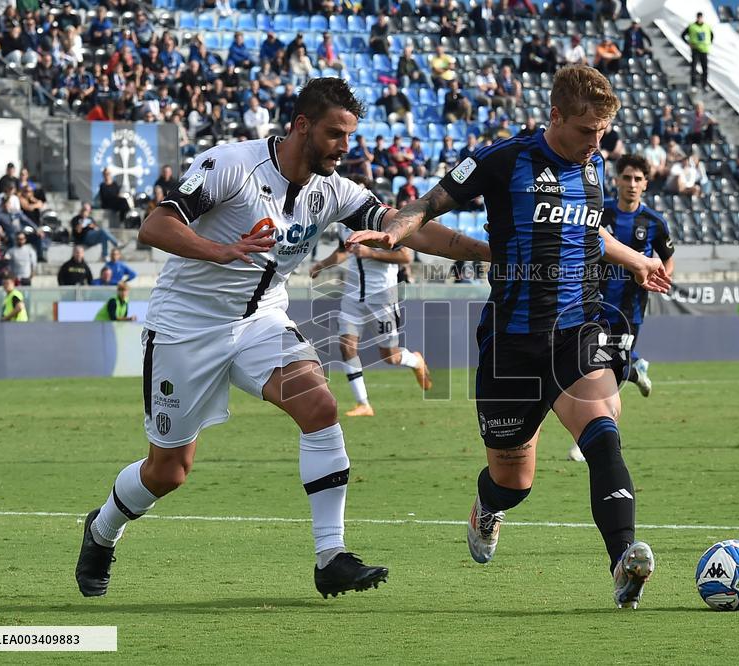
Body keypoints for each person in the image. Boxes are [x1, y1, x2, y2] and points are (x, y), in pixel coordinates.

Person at [73, 77, 490, 601]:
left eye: (349, 136)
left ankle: (330, 556)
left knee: (320, 407)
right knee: (169, 471)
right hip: (186, 328)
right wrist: (217, 249)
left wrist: (492, 252)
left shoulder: (334, 188)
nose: (344, 147)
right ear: (301, 126)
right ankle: (102, 529)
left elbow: (408, 227)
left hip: (261, 323)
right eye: (335, 135)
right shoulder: (231, 164)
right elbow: (155, 227)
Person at [346, 66, 671, 610]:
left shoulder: (591, 167)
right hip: (513, 340)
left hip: (578, 328)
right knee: (514, 481)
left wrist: (637, 260)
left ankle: (621, 561)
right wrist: (393, 232)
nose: (597, 144)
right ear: (555, 117)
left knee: (603, 429)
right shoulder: (503, 160)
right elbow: (428, 205)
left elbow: (592, 230)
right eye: (587, 131)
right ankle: (487, 506)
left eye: (604, 133)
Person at [567, 154, 675, 464]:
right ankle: (633, 371)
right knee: (589, 369)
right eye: (626, 178)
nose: (631, 184)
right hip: (592, 305)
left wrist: (660, 277)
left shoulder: (654, 223)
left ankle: (594, 437)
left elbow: (667, 259)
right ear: (616, 181)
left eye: (637, 179)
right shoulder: (599, 216)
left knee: (609, 371)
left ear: (645, 184)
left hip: (630, 311)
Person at [310, 224, 432, 417]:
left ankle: (415, 360)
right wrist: (321, 265)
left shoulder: (385, 223)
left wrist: (370, 253)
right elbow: (344, 251)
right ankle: (363, 404)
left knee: (390, 357)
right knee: (346, 346)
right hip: (353, 296)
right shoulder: (344, 223)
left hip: (382, 297)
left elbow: (405, 257)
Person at [681, 12, 713, 89]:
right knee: (694, 68)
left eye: (701, 17)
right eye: (698, 17)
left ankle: (704, 84)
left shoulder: (707, 26)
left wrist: (708, 44)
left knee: (704, 68)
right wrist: (688, 43)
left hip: (704, 50)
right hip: (695, 49)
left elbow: (711, 36)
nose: (699, 19)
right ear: (697, 17)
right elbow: (683, 35)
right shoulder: (692, 26)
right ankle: (693, 85)